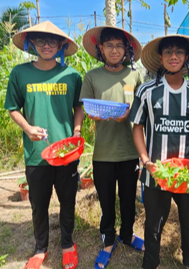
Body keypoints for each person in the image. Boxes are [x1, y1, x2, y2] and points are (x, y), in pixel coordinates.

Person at [3, 21, 83, 269]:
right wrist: (27, 128)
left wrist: (77, 129)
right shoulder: (20, 73)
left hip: (66, 152)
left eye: (52, 41)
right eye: (40, 41)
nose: (46, 45)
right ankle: (41, 248)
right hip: (36, 153)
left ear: (61, 45)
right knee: (39, 203)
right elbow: (12, 108)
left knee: (67, 199)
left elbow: (78, 106)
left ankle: (68, 243)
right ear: (32, 44)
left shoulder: (72, 76)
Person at [130, 34, 189, 269]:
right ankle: (150, 264)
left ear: (187, 57)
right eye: (168, 52)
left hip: (188, 174)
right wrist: (146, 162)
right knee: (153, 225)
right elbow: (137, 128)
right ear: (160, 57)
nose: (173, 56)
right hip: (156, 173)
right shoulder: (146, 91)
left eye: (179, 52)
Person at [79, 26, 146, 268]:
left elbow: (143, 109)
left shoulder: (134, 76)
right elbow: (86, 108)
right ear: (101, 49)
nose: (114, 50)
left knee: (128, 199)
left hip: (129, 151)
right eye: (109, 46)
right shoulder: (92, 77)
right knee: (107, 201)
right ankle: (108, 239)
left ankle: (127, 234)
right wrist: (94, 115)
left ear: (127, 50)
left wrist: (129, 114)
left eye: (119, 46)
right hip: (103, 153)